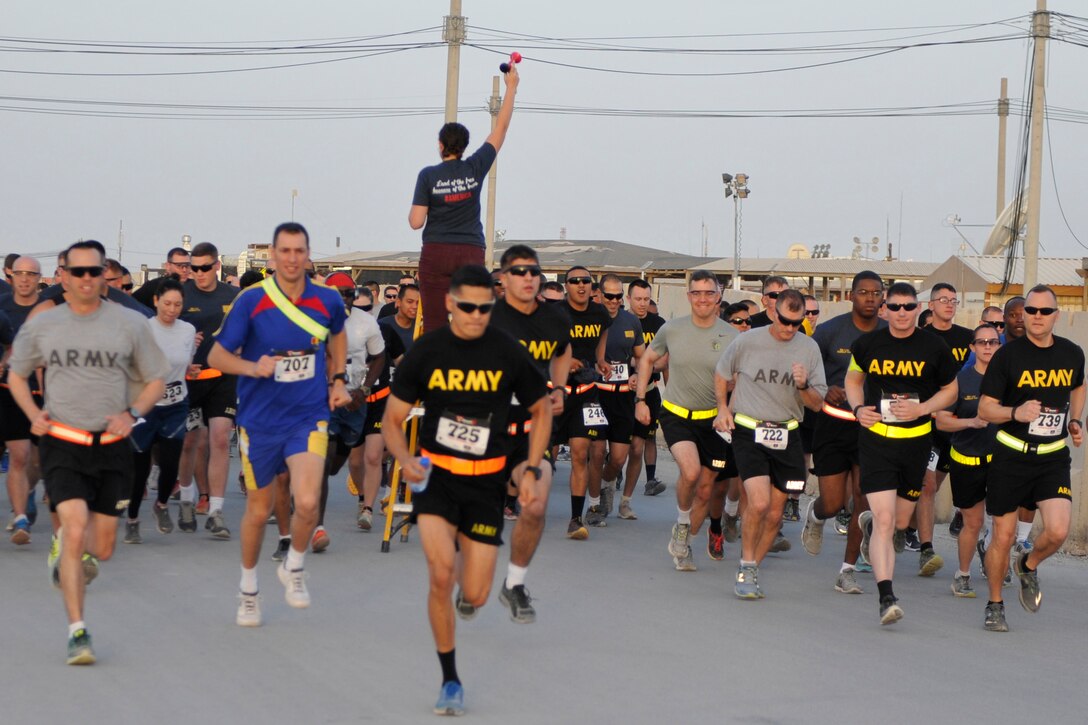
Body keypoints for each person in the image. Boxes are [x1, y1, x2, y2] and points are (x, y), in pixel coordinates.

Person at [382, 264, 550, 716]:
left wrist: (532, 467)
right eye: (469, 307)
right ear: (450, 305)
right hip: (437, 478)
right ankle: (450, 679)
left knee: (474, 593)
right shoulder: (428, 350)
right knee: (440, 574)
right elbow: (392, 420)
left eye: (485, 308)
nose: (477, 316)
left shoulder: (506, 351)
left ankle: (468, 584)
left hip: (488, 483)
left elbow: (542, 408)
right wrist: (403, 459)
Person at [8, 240, 168, 665]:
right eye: (76, 272)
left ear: (104, 276)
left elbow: (156, 378)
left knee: (104, 547)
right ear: (61, 275)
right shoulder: (45, 322)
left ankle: (69, 547)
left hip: (113, 449)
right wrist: (33, 414)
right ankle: (78, 631)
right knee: (75, 530)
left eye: (93, 272)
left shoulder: (129, 323)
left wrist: (132, 412)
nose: (85, 279)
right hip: (63, 443)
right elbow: (17, 374)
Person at [206, 222, 350, 628]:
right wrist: (254, 366)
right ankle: (248, 589)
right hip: (260, 420)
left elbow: (336, 334)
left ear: (307, 254)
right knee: (258, 509)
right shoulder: (252, 301)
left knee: (306, 503)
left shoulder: (327, 300)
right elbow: (217, 357)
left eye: (298, 251)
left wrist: (338, 379)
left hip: (307, 415)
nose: (291, 258)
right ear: (272, 255)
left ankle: (295, 566)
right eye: (283, 251)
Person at [845, 282, 958, 625]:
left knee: (899, 522)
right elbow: (853, 379)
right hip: (877, 441)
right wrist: (858, 408)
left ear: (917, 307)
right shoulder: (867, 344)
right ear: (884, 309)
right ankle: (886, 597)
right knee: (884, 520)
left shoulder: (934, 346)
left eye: (908, 307)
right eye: (894, 307)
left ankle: (872, 526)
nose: (902, 313)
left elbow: (951, 390)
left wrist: (923, 408)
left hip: (917, 443)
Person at [978, 285, 1084, 632]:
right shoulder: (1007, 356)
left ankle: (1028, 563)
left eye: (1045, 311)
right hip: (1011, 454)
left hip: (1052, 456)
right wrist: (1016, 411)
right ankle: (995, 603)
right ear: (1023, 315)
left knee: (1056, 531)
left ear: (1056, 315)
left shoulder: (1071, 353)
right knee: (1003, 536)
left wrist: (1076, 420)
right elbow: (985, 409)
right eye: (1032, 311)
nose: (1038, 317)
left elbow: (1078, 386)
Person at [715, 289, 826, 598]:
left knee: (775, 515)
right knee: (759, 502)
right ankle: (748, 565)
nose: (790, 329)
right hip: (749, 430)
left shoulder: (809, 348)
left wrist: (803, 384)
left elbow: (817, 403)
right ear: (774, 312)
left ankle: (750, 568)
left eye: (797, 322)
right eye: (786, 321)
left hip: (788, 432)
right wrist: (723, 409)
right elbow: (722, 374)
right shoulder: (748, 341)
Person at [487, 245, 571, 622]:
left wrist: (558, 388)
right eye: (518, 271)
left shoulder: (553, 318)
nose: (527, 278)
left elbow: (563, 350)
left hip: (529, 431)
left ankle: (515, 583)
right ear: (502, 279)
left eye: (533, 272)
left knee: (535, 501)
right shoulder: (486, 318)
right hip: (484, 431)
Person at [635, 271, 738, 571]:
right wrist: (640, 400)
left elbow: (741, 376)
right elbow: (646, 360)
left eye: (709, 293)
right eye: (697, 293)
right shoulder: (673, 329)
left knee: (706, 490)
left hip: (714, 422)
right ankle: (681, 523)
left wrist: (728, 407)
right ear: (688, 296)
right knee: (691, 473)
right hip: (677, 414)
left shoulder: (732, 336)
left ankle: (686, 542)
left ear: (718, 296)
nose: (703, 299)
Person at [410, 65, 519, 333]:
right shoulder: (475, 166)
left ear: (440, 145)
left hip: (436, 250)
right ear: (466, 146)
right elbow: (501, 129)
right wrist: (512, 87)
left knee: (434, 325)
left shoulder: (428, 175)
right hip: (470, 250)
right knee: (474, 321)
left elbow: (415, 222)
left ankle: (435, 372)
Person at [801, 271, 885, 595]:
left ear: (882, 298)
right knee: (834, 502)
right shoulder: (829, 332)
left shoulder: (889, 334)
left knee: (863, 501)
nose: (869, 298)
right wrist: (825, 391)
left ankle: (847, 570)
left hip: (871, 426)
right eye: (862, 292)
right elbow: (807, 374)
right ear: (851, 296)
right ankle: (816, 514)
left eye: (875, 293)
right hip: (833, 424)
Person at [308, 273, 385, 553]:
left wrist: (364, 390)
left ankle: (307, 487)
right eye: (338, 293)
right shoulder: (313, 319)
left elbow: (379, 356)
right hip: (322, 400)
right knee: (322, 459)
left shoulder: (366, 323)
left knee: (335, 466)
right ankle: (317, 527)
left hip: (354, 401)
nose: (344, 299)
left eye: (348, 293)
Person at [125, 279, 197, 542]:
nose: (172, 309)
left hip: (176, 404)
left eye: (178, 304)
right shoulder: (143, 329)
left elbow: (184, 362)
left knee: (169, 463)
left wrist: (190, 369)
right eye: (167, 303)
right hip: (145, 404)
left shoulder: (188, 330)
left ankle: (162, 505)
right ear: (156, 301)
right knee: (140, 468)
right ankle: (132, 519)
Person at [935, 323, 1001, 600]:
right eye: (982, 342)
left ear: (999, 347)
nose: (987, 347)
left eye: (993, 342)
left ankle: (997, 568)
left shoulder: (1008, 379)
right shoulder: (960, 380)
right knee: (973, 523)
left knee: (1001, 522)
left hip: (1000, 461)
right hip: (967, 459)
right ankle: (962, 575)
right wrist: (971, 421)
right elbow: (941, 421)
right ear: (972, 347)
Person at [912, 282, 974, 574]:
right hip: (927, 423)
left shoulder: (969, 339)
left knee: (933, 487)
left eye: (953, 299)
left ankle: (905, 525)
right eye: (943, 300)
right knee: (925, 486)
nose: (949, 304)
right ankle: (926, 550)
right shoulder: (919, 339)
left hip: (961, 425)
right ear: (931, 306)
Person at [178, 242, 239, 537]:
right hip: (189, 379)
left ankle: (216, 510)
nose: (198, 273)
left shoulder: (232, 295)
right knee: (189, 443)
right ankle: (188, 497)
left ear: (216, 265)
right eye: (193, 268)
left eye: (204, 267)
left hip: (223, 378)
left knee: (219, 441)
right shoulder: (181, 294)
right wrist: (186, 348)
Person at [555, 266, 611, 538]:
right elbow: (542, 349)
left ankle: (576, 519)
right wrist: (564, 362)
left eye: (585, 281)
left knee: (581, 451)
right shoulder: (555, 314)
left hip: (587, 389)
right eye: (574, 281)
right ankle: (513, 499)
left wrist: (600, 359)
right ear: (566, 285)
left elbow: (603, 334)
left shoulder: (600, 312)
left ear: (592, 286)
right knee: (545, 453)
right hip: (556, 391)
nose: (580, 285)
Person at [1, 255, 43, 544]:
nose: (25, 278)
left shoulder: (50, 309)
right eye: (20, 273)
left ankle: (27, 494)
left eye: (31, 273)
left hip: (43, 394)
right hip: (8, 393)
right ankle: (20, 519)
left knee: (37, 462)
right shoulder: (2, 307)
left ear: (40, 278)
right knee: (19, 456)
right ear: (10, 276)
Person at [596, 274, 644, 519]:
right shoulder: (591, 318)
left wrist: (637, 374)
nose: (614, 301)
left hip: (622, 396)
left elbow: (641, 358)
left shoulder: (631, 321)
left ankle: (607, 484)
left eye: (618, 296)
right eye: (609, 296)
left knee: (618, 457)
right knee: (592, 453)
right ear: (600, 294)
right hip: (594, 395)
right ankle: (596, 503)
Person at [626, 279, 667, 497]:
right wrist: (639, 365)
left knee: (647, 438)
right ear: (628, 299)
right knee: (627, 443)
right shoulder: (619, 322)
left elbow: (663, 361)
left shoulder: (659, 324)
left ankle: (650, 479)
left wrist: (644, 364)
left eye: (646, 299)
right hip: (623, 390)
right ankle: (615, 474)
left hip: (650, 389)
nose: (642, 303)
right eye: (638, 299)